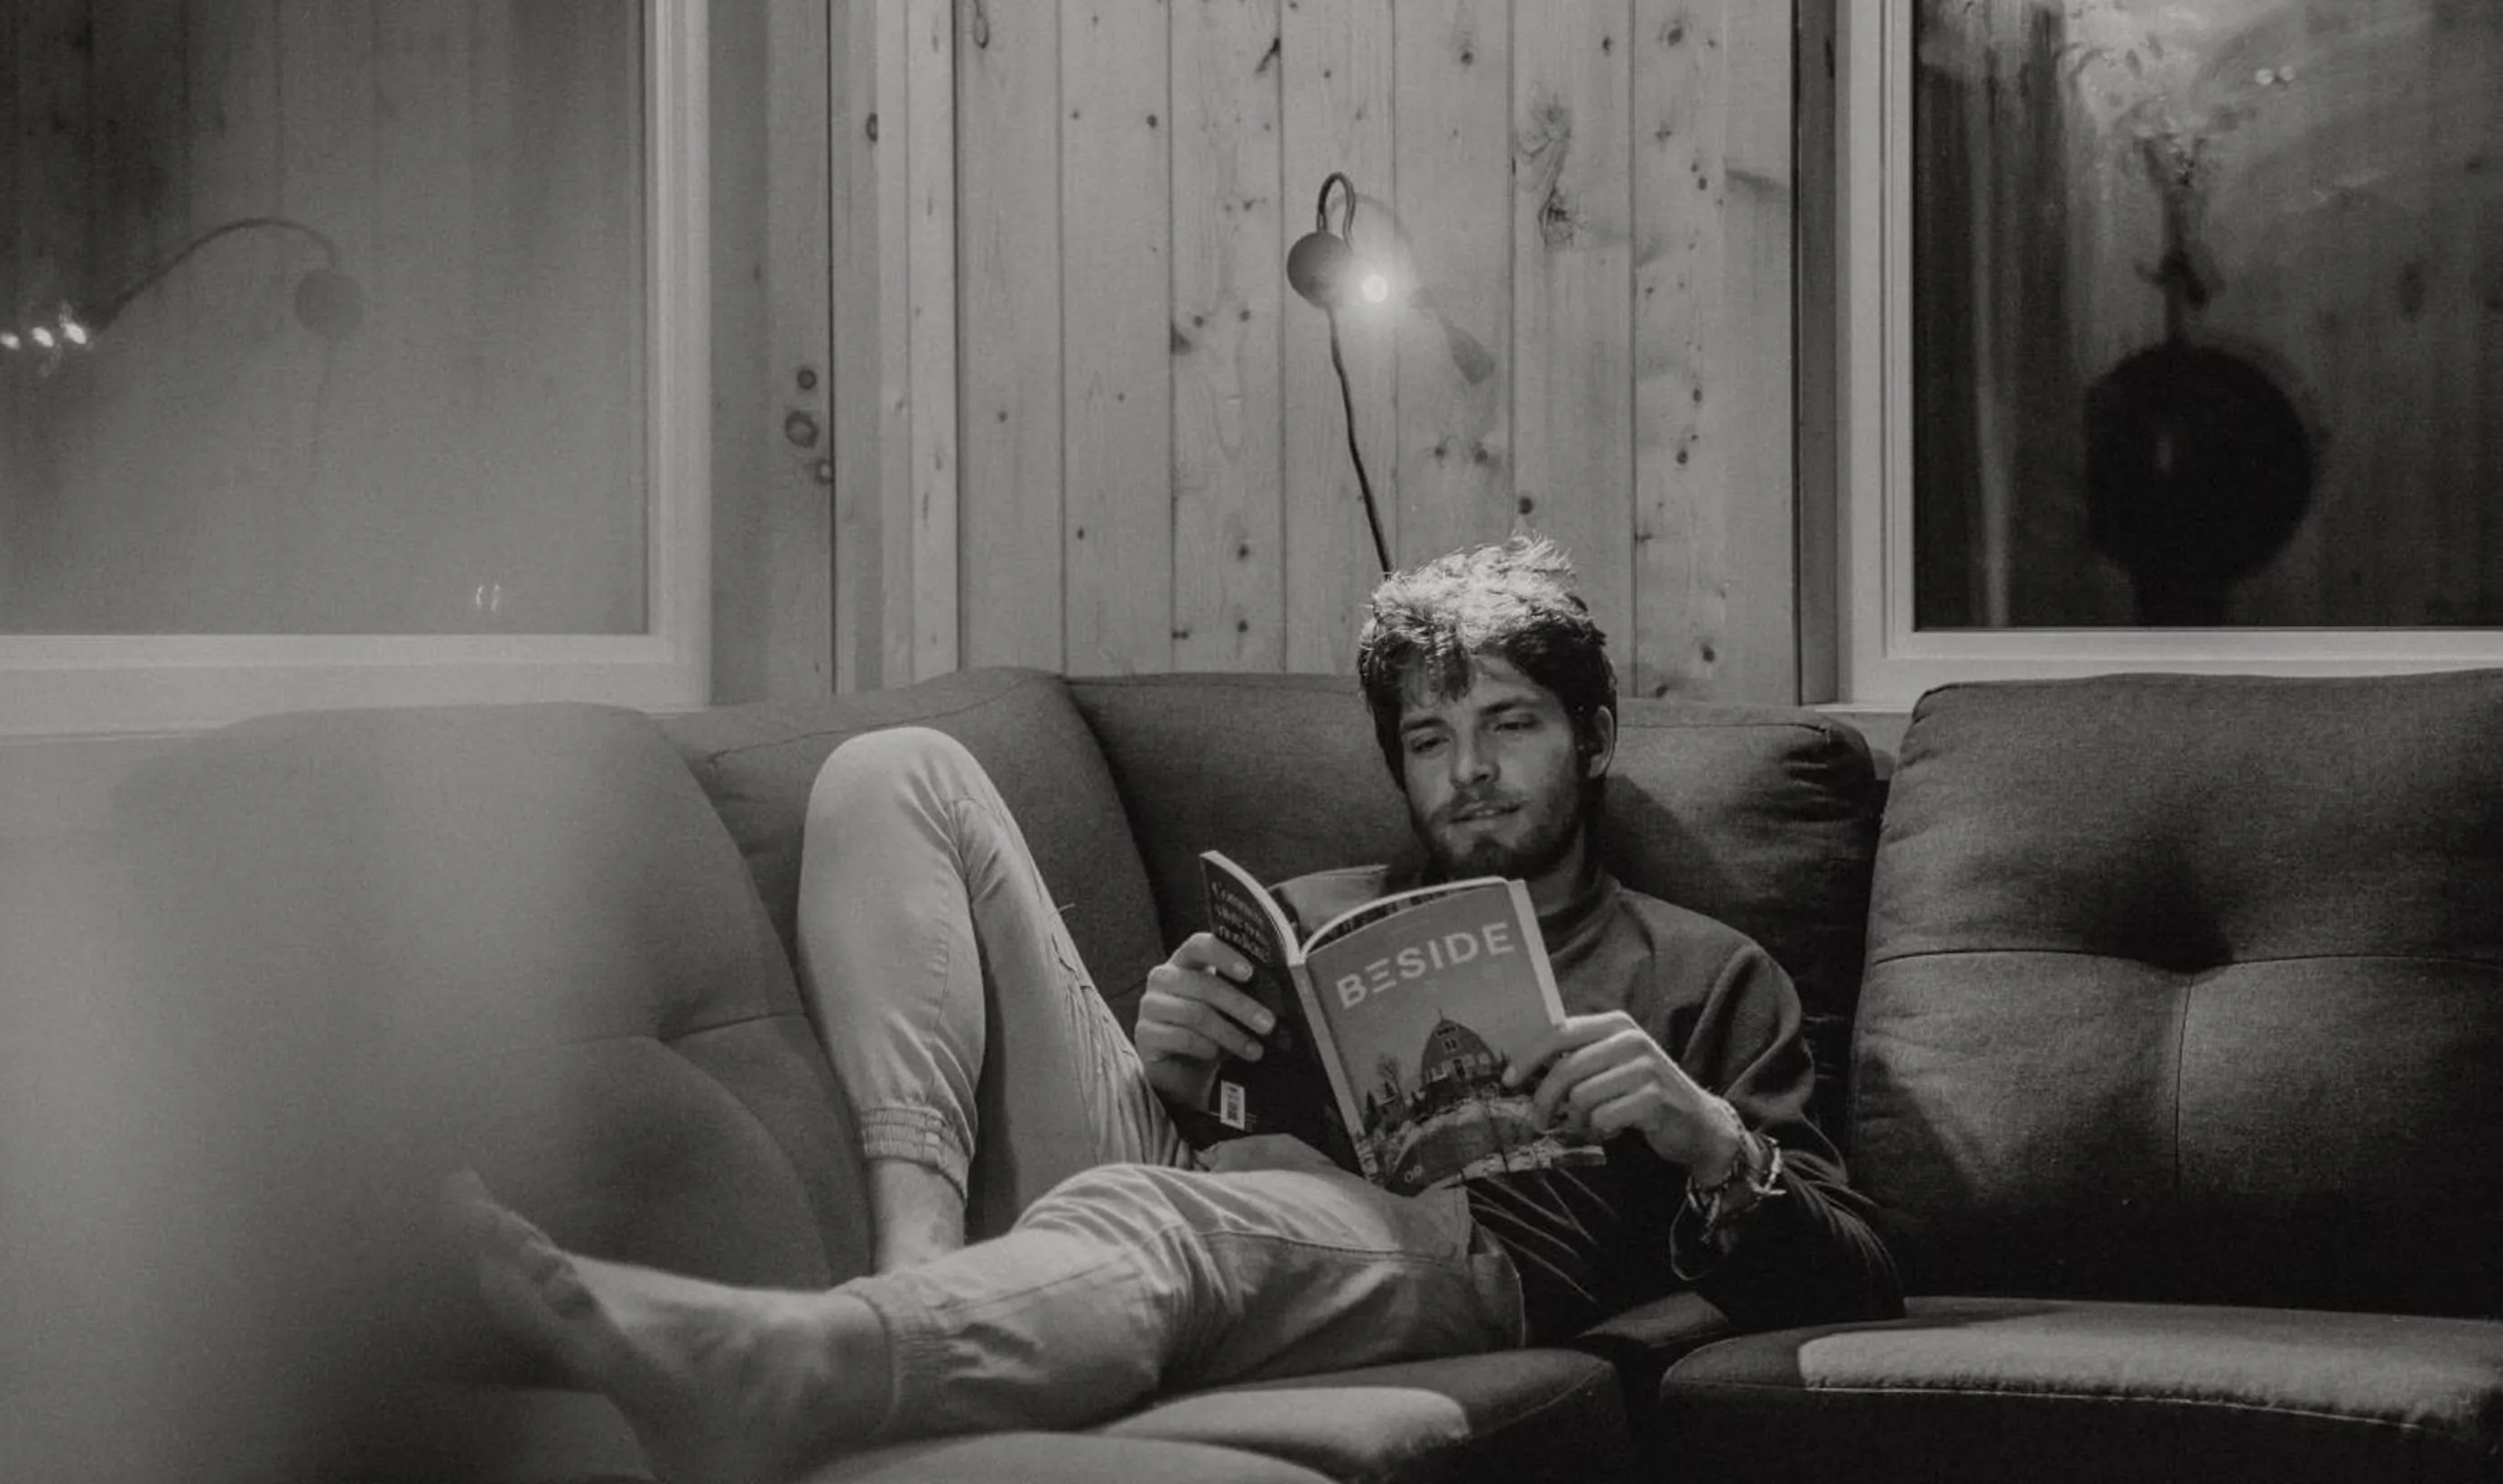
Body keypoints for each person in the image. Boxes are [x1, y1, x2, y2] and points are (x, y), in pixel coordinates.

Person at [448, 536, 1900, 1484]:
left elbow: (1854, 1275)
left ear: (1590, 738)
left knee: (1170, 1221)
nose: (1468, 771)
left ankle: (804, 1363)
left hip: (1453, 1247)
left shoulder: (1704, 970)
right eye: (1429, 737)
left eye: (1510, 724)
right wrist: (1176, 1057)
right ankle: (918, 1265)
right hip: (1197, 1172)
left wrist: (1710, 1141)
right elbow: (1196, 1136)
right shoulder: (1322, 911)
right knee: (896, 770)